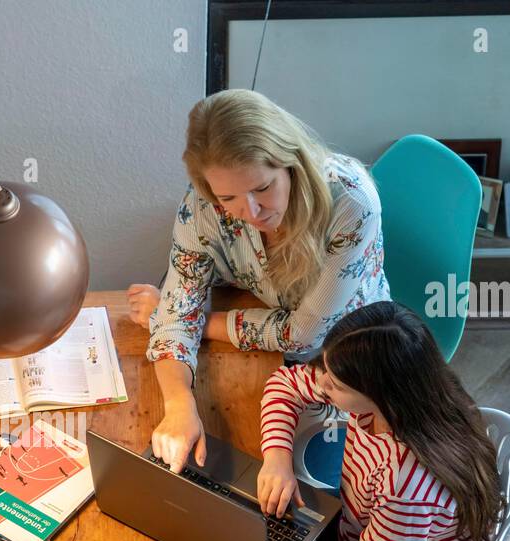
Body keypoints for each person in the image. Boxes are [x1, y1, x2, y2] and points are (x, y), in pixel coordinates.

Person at [128, 89, 390, 474]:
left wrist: (182, 319)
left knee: (311, 499)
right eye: (228, 196)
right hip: (270, 344)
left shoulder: (351, 201)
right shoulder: (204, 203)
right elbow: (179, 306)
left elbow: (304, 335)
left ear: (291, 163)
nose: (248, 211)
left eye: (262, 188)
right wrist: (179, 404)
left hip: (348, 362)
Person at [256, 301, 503, 541]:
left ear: (380, 395)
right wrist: (277, 458)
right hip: (361, 534)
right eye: (326, 370)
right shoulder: (421, 393)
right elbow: (286, 384)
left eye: (337, 386)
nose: (322, 384)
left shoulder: (407, 487)